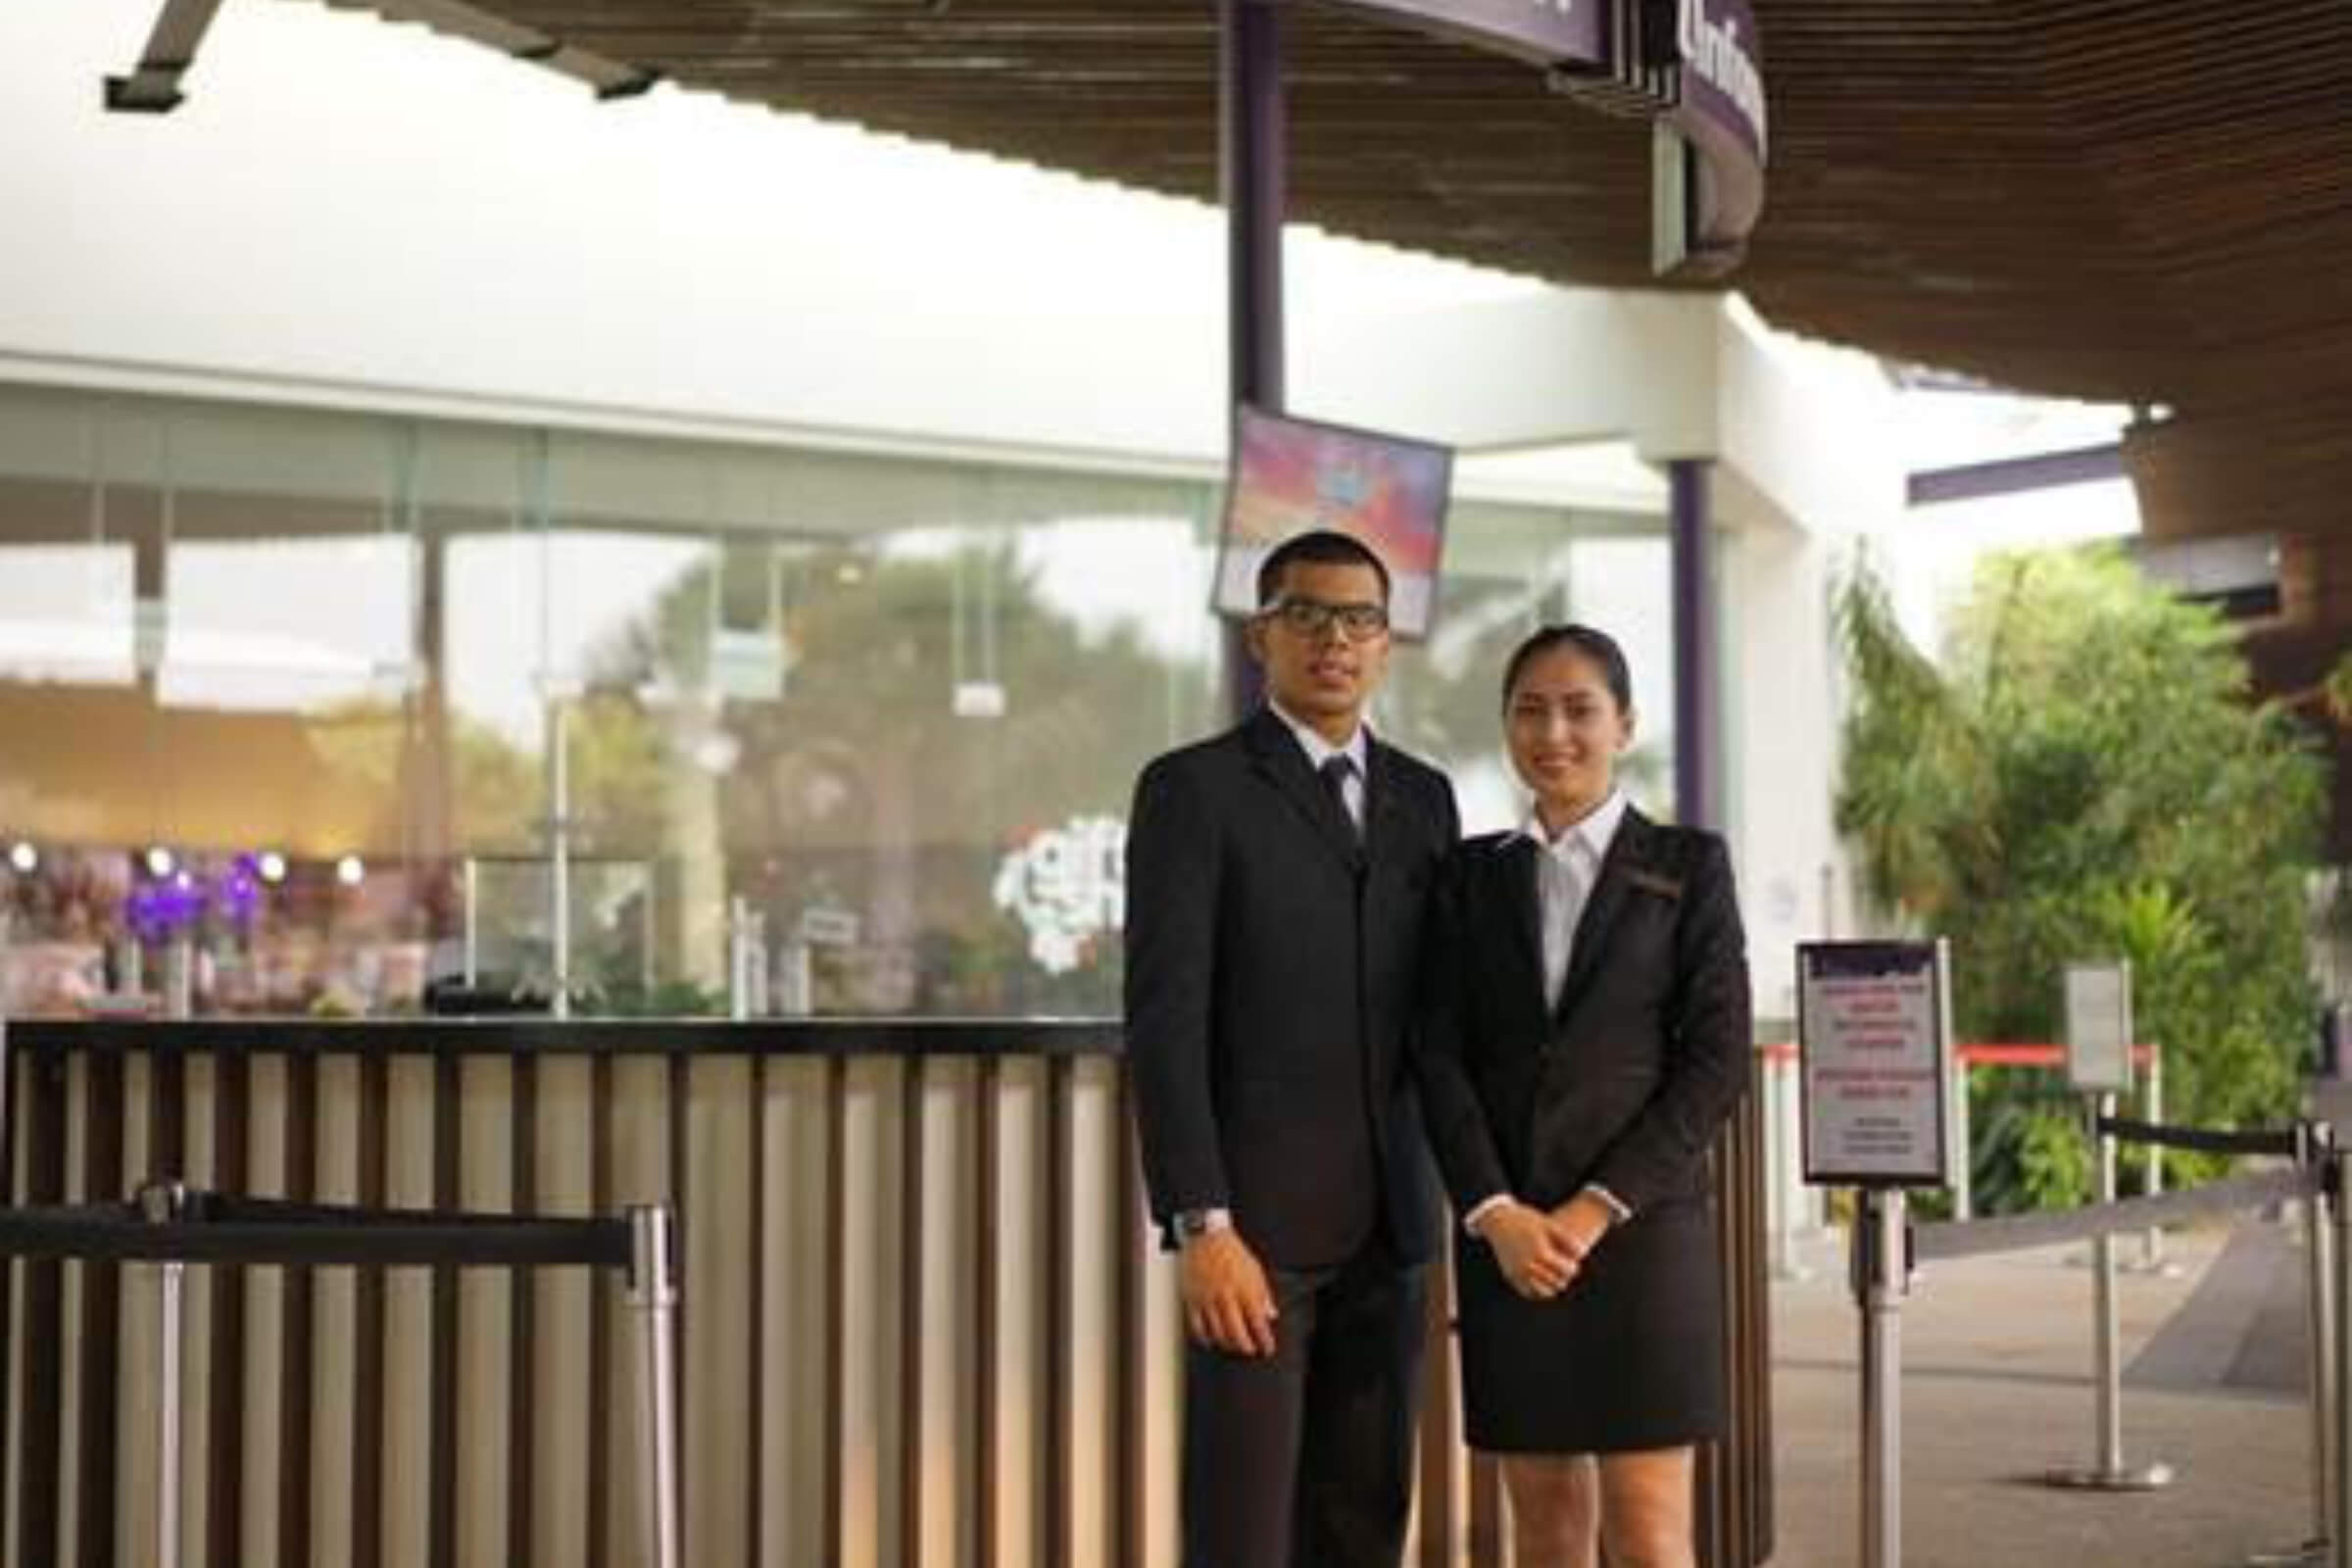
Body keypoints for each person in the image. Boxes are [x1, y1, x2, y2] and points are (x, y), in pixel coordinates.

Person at [1125, 529, 1460, 1568]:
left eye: (1360, 619)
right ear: (1261, 634)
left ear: (1386, 645)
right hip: (1253, 1235)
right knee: (1242, 1531)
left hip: (1393, 1226)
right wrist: (1201, 1221)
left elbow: (1444, 1018)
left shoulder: (1427, 797)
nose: (1336, 641)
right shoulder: (1196, 790)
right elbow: (1165, 1020)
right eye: (1308, 616)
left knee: (1363, 1524)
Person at [1414, 623, 1749, 1568]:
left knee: (1650, 1535)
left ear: (1625, 724)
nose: (1552, 732)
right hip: (1513, 1244)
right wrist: (1495, 1213)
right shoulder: (1470, 877)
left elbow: (1714, 1059)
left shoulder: (1689, 867)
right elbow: (1438, 1056)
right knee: (1548, 1532)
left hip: (1641, 1237)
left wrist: (1597, 1209)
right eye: (1529, 709)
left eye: (1579, 709)